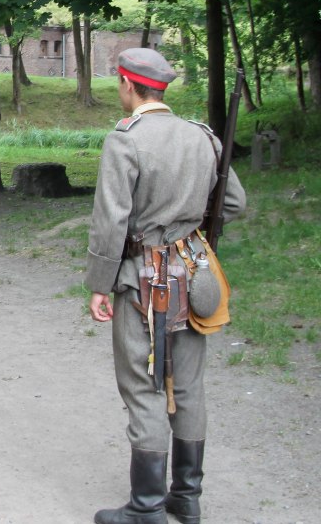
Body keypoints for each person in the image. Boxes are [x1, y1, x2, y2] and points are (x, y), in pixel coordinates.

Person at [85, 48, 246, 524]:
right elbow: (233, 203)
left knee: (145, 388)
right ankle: (187, 499)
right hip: (195, 278)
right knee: (189, 387)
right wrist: (190, 232)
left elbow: (111, 221)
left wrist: (99, 283)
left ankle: (147, 508)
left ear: (128, 85)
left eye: (119, 85)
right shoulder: (203, 137)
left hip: (143, 281)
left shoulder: (125, 140)